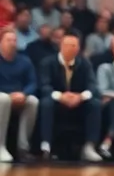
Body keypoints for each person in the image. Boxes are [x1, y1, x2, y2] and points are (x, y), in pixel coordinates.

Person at [37, 31, 103, 161]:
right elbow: (44, 86)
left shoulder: (85, 63)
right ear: (60, 46)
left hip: (78, 102)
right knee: (46, 103)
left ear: (78, 49)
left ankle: (89, 146)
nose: (70, 48)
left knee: (94, 103)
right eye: (67, 45)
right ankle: (46, 146)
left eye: (74, 46)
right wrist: (60, 96)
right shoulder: (47, 63)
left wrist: (81, 97)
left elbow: (92, 86)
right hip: (57, 101)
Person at [0, 26, 38, 162]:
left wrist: (24, 94)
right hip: (3, 96)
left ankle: (23, 148)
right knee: (4, 99)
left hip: (19, 97)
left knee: (33, 101)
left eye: (14, 40)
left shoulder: (24, 60)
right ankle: (1, 146)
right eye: (8, 40)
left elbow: (33, 83)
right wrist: (10, 95)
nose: (12, 43)